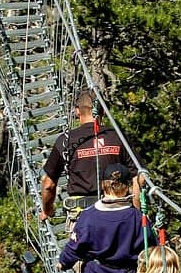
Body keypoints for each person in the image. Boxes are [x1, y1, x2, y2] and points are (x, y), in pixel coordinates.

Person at [58, 161, 145, 273]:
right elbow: (149, 245)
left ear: (103, 186)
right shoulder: (137, 217)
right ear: (128, 187)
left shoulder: (89, 217)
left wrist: (63, 263)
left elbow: (75, 246)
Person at [40, 88, 140, 225]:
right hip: (118, 213)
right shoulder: (118, 137)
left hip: (83, 217)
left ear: (77, 111)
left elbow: (48, 185)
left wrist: (47, 210)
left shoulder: (66, 140)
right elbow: (139, 178)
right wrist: (137, 212)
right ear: (103, 111)